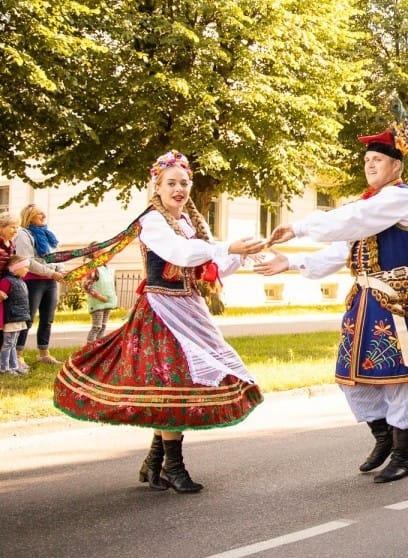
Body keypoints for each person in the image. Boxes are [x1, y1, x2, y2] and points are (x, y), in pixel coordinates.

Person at [52, 151, 265, 493]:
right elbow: (180, 254)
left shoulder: (193, 223)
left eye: (183, 183)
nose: (178, 188)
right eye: (171, 183)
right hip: (161, 311)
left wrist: (243, 253)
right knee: (172, 384)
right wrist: (224, 246)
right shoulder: (152, 221)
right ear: (158, 186)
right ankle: (173, 467)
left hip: (190, 308)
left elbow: (209, 268)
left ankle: (154, 463)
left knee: (177, 386)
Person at [255, 114, 408, 484]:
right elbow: (342, 250)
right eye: (367, 160)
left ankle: (404, 455)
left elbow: (354, 220)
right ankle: (383, 437)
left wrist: (300, 227)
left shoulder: (401, 199)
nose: (370, 164)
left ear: (396, 165)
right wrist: (290, 262)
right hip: (364, 301)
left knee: (399, 378)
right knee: (350, 377)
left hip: (396, 300)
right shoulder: (369, 205)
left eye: (378, 160)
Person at [14, 204, 67, 368]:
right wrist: (51, 273)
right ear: (29, 216)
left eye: (44, 213)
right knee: (27, 318)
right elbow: (27, 260)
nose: (44, 215)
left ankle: (44, 353)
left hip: (50, 281)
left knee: (47, 319)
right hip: (33, 280)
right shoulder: (24, 234)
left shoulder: (48, 235)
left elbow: (56, 256)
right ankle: (18, 355)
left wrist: (61, 270)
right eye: (39, 214)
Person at [1, 213, 32, 375]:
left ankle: (11, 365)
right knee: (7, 338)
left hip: (7, 285)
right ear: (1, 228)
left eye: (17, 227)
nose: (15, 230)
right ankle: (5, 366)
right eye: (12, 227)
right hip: (3, 286)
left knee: (9, 338)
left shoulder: (11, 244)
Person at [83, 262, 119, 343]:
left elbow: (112, 286)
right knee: (97, 327)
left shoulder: (109, 269)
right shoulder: (93, 268)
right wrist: (100, 297)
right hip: (97, 303)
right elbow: (86, 286)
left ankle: (98, 348)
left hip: (108, 303)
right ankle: (89, 350)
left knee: (103, 327)